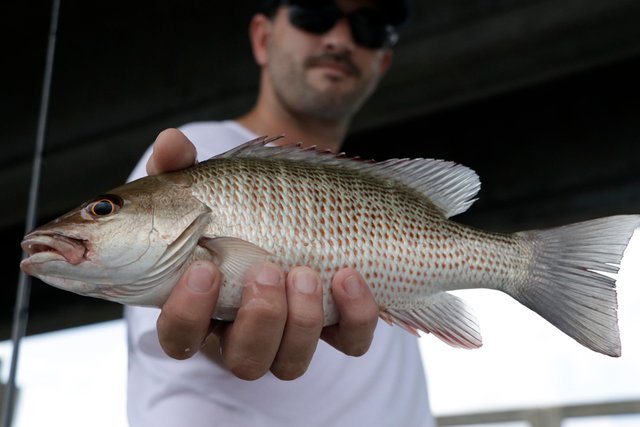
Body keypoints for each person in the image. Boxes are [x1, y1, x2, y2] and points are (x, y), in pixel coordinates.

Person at [126, 1, 435, 426]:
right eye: (315, 14)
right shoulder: (196, 156)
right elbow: (170, 317)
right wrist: (223, 330)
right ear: (262, 38)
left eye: (369, 27)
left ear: (382, 62)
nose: (340, 39)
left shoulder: (377, 197)